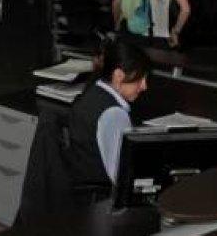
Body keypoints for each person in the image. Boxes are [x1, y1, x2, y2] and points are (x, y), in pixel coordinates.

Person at [65, 38, 152, 195]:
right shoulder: (114, 114)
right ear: (118, 76)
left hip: (80, 195)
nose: (144, 86)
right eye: (140, 79)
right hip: (102, 200)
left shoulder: (90, 94)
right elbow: (121, 176)